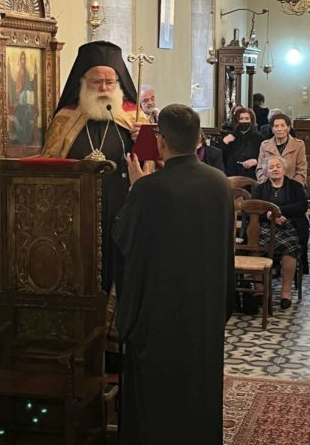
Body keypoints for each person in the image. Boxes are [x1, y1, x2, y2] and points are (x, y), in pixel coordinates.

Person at [113, 104, 235, 445]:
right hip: (205, 310)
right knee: (199, 389)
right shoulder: (219, 183)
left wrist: (135, 188)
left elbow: (124, 237)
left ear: (161, 142)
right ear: (198, 140)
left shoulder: (150, 189)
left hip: (160, 316)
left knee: (159, 399)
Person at [42, 40, 147, 291]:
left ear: (118, 83)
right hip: (76, 209)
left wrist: (142, 141)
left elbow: (154, 165)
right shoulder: (65, 118)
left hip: (123, 206)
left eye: (110, 82)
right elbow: (49, 164)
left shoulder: (135, 118)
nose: (103, 88)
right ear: (82, 82)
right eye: (96, 81)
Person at [253, 156, 309, 306]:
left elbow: (302, 206)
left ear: (284, 170)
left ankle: (286, 292)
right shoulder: (260, 189)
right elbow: (254, 209)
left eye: (278, 166)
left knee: (289, 247)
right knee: (254, 246)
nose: (275, 169)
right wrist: (269, 215)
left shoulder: (295, 186)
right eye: (271, 167)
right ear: (266, 172)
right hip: (266, 227)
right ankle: (260, 290)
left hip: (290, 226)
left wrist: (277, 212)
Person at [257, 113, 307, 185]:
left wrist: (291, 187)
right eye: (276, 126)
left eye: (282, 126)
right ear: (272, 129)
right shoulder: (265, 145)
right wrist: (270, 185)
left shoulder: (298, 145)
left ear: (288, 128)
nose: (279, 129)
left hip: (291, 187)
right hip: (269, 187)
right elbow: (260, 170)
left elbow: (301, 171)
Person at [220, 107, 262, 179]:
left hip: (251, 175)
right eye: (241, 119)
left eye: (247, 119)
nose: (244, 121)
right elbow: (219, 156)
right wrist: (224, 142)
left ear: (251, 120)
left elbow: (266, 158)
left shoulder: (259, 139)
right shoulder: (229, 137)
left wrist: (256, 161)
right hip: (231, 175)